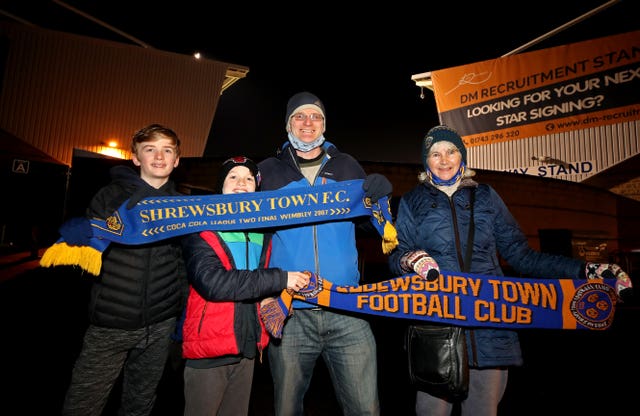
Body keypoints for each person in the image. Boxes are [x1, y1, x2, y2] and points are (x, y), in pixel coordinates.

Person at [388, 124, 633, 416]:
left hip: (491, 327)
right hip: (437, 328)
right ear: (425, 160)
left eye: (451, 151)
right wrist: (409, 259)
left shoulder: (487, 197)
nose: (444, 160)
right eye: (435, 153)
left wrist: (586, 270)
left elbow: (522, 255)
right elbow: (396, 257)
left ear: (462, 156)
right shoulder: (412, 201)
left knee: (482, 411)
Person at [257, 91, 393, 416]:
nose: (308, 123)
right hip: (291, 309)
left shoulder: (346, 165)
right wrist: (261, 293)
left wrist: (379, 195)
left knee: (365, 408)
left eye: (315, 116)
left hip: (346, 305)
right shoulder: (266, 171)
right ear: (288, 124)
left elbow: (365, 224)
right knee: (286, 408)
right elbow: (247, 231)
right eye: (299, 116)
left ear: (324, 124)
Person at [61, 123, 189, 416]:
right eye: (150, 149)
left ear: (177, 160)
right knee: (83, 403)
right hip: (110, 323)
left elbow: (183, 264)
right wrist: (76, 241)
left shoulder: (185, 206)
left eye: (167, 150)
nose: (159, 157)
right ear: (135, 158)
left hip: (160, 325)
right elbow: (86, 255)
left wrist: (178, 317)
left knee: (140, 404)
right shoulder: (110, 198)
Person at [179, 156, 311, 416]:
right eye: (233, 177)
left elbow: (255, 281)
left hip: (248, 347)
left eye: (249, 178)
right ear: (221, 186)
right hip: (209, 349)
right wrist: (281, 279)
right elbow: (213, 284)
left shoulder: (262, 232)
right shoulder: (201, 228)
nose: (242, 183)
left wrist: (269, 299)